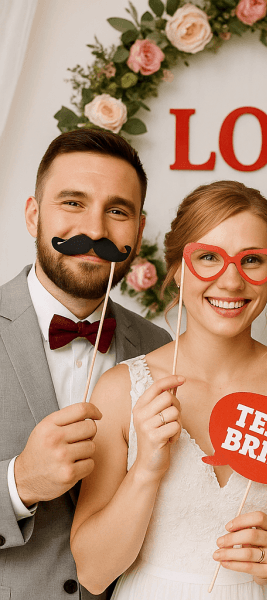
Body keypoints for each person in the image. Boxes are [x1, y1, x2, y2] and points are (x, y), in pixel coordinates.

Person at [70, 180, 267, 599]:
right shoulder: (121, 390)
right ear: (177, 268)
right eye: (208, 257)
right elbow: (92, 572)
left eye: (252, 260)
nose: (230, 281)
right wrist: (146, 470)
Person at [0, 128, 171, 599]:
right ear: (33, 214)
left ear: (138, 230)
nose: (95, 231)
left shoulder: (160, 348)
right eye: (73, 202)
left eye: (117, 211)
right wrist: (18, 482)